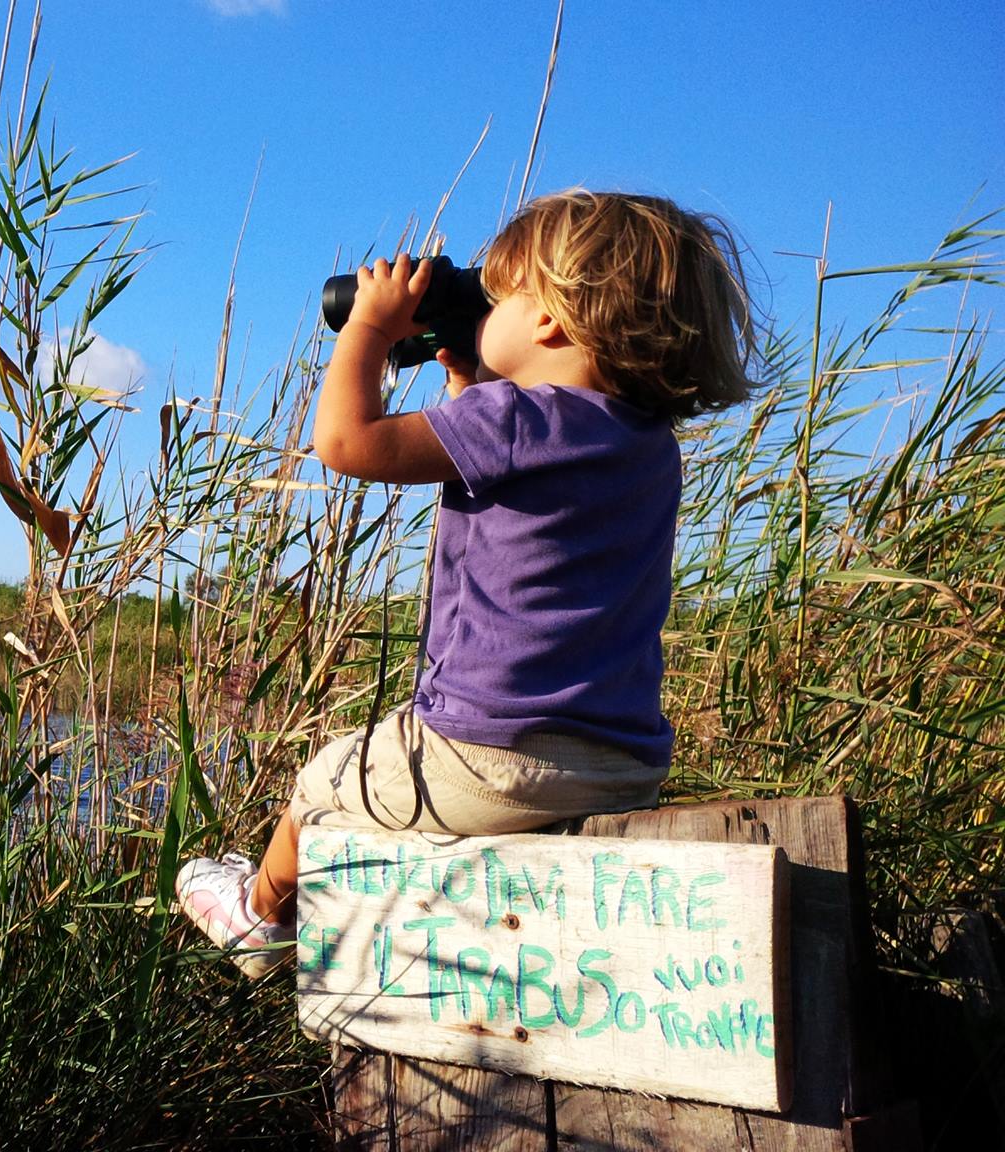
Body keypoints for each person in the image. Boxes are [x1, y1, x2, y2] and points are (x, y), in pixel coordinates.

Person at [177, 190, 759, 978]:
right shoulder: (644, 447)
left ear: (550, 322)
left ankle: (258, 916)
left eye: (501, 295)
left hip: (488, 755)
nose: (485, 309)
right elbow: (506, 497)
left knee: (323, 784)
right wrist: (465, 379)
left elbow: (346, 443)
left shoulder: (519, 420)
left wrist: (371, 330)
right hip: (619, 764)